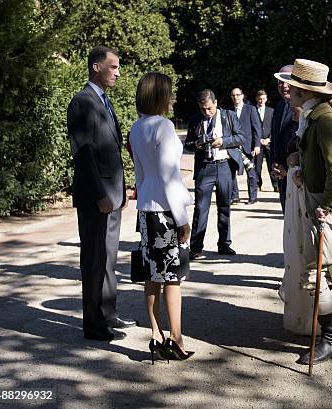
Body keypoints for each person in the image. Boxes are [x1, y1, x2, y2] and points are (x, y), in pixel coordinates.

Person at [275, 58, 332, 365]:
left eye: (293, 86)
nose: (288, 89)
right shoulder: (316, 115)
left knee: (320, 272)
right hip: (324, 197)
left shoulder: (324, 119)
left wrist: (325, 206)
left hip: (326, 201)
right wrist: (299, 159)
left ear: (302, 90)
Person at [67, 46, 136, 342]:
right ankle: (93, 325)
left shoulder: (104, 101)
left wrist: (122, 188)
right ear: (96, 67)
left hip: (112, 194)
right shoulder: (82, 102)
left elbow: (110, 151)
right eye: (114, 67)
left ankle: (107, 315)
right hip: (97, 197)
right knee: (94, 259)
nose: (118, 73)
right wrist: (100, 195)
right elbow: (83, 154)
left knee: (108, 259)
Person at [129, 72, 193, 361]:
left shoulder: (136, 127)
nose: (172, 98)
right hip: (167, 210)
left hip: (146, 209)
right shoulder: (164, 127)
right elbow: (170, 177)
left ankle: (156, 334)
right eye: (169, 93)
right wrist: (182, 219)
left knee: (152, 275)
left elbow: (140, 177)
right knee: (173, 278)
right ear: (159, 96)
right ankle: (177, 338)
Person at [187, 89, 244, 259]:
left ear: (216, 103)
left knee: (224, 206)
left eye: (210, 108)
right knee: (201, 208)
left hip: (224, 165)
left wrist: (224, 142)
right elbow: (188, 144)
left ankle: (224, 244)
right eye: (203, 109)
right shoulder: (195, 120)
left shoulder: (229, 116)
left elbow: (241, 137)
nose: (207, 112)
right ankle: (196, 247)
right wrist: (196, 144)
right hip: (205, 167)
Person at [270, 64, 297, 211]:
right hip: (281, 177)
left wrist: (287, 168)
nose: (284, 86)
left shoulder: (304, 108)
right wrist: (274, 164)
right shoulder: (279, 107)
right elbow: (275, 140)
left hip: (298, 176)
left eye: (288, 81)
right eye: (280, 82)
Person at [230, 87, 262, 205]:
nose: (236, 97)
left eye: (238, 95)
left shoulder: (251, 109)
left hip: (248, 147)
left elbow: (257, 129)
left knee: (251, 173)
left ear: (242, 96)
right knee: (231, 172)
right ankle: (235, 196)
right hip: (233, 147)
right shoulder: (229, 111)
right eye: (233, 95)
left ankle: (253, 197)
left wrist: (257, 145)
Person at [254, 90, 276, 191]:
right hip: (258, 143)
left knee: (271, 164)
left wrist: (269, 139)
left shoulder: (271, 111)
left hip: (269, 143)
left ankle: (275, 185)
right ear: (256, 99)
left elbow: (274, 126)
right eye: (259, 99)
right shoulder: (252, 110)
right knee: (257, 166)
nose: (261, 100)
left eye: (263, 99)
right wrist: (258, 140)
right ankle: (258, 185)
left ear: (266, 99)